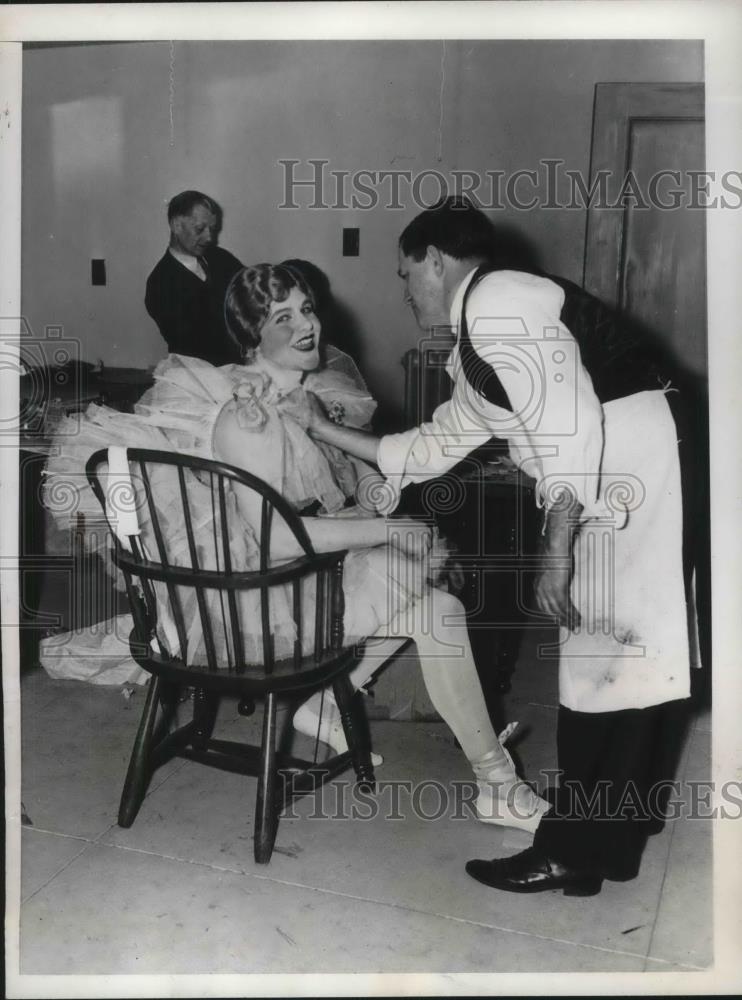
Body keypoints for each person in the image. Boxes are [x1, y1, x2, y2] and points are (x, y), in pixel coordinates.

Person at [44, 262, 549, 835]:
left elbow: (351, 485)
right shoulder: (251, 418)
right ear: (253, 337)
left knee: (436, 607)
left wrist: (371, 486)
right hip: (248, 610)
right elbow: (273, 539)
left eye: (306, 308)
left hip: (282, 585)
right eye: (282, 317)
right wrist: (391, 531)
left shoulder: (300, 397)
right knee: (433, 604)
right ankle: (491, 781)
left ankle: (486, 776)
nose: (305, 325)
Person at [306, 198, 691, 896]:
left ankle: (576, 850)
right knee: (623, 656)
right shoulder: (481, 334)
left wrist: (558, 550)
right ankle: (611, 834)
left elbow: (571, 426)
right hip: (631, 457)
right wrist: (326, 432)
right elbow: (434, 444)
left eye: (406, 272)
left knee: (606, 660)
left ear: (436, 260)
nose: (404, 290)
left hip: (632, 461)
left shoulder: (501, 303)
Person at [145, 190, 244, 365]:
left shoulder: (220, 257)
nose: (209, 237)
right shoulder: (160, 283)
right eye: (200, 229)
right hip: (200, 378)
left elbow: (252, 288)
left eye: (212, 229)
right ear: (176, 225)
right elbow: (196, 346)